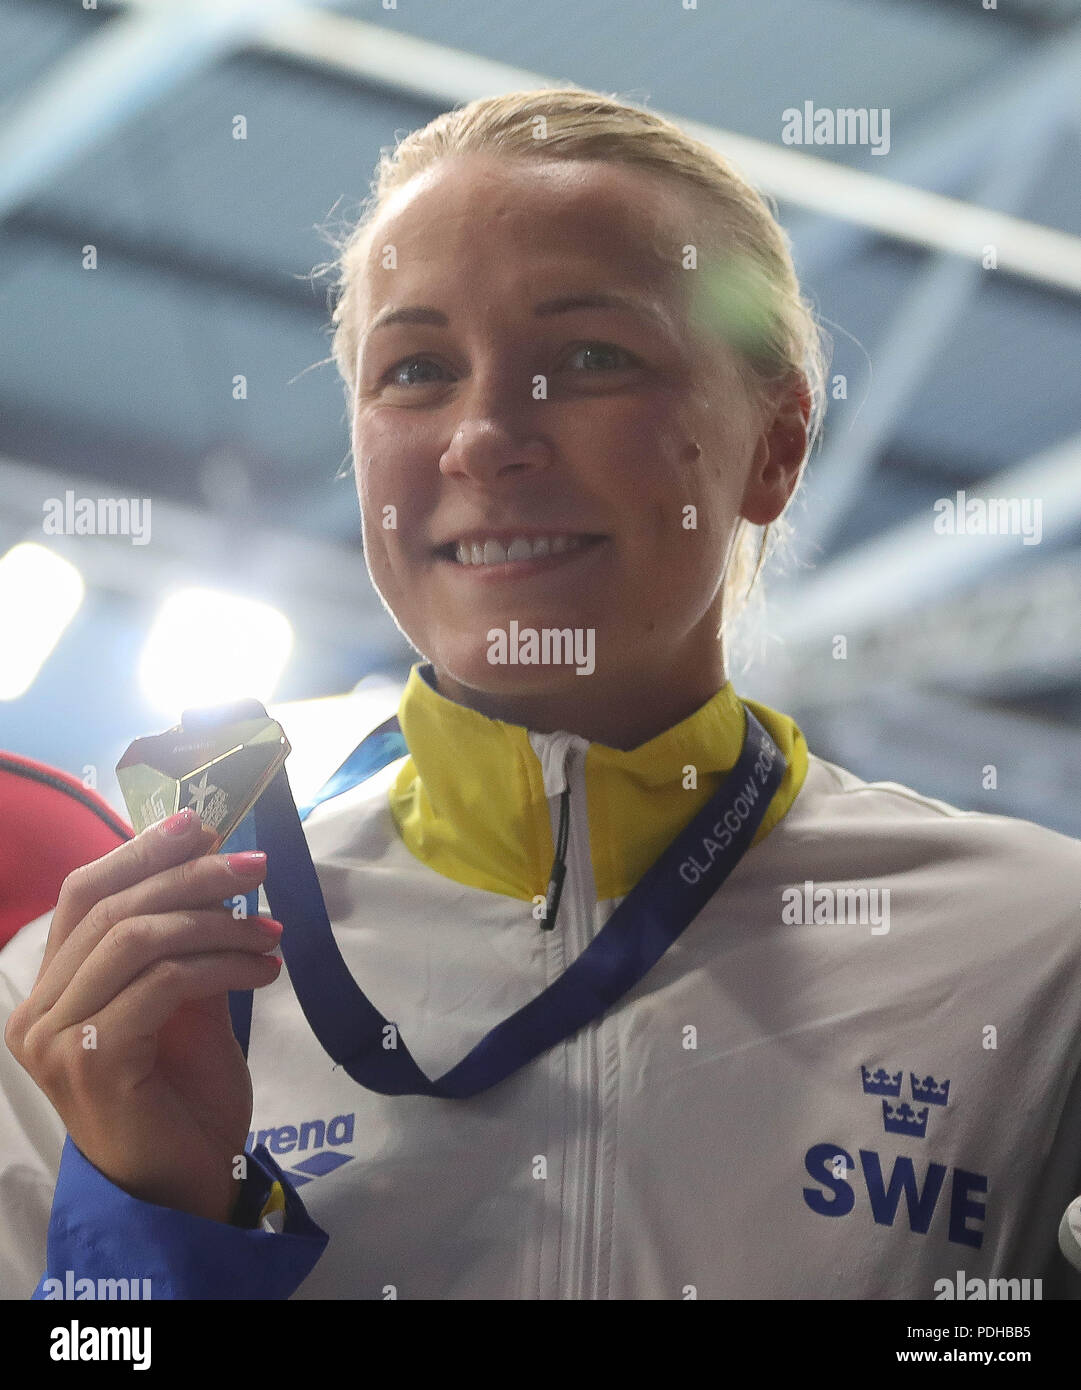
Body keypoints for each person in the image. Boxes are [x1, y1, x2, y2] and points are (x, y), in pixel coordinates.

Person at [3, 85, 1081, 1301]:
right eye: (415, 369)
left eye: (588, 356)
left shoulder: (1040, 955)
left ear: (774, 447)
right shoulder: (97, 996)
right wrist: (153, 1219)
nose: (482, 437)